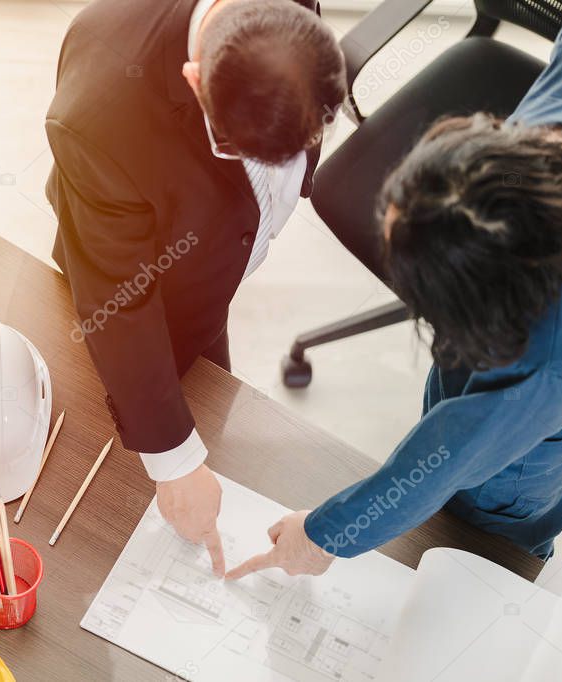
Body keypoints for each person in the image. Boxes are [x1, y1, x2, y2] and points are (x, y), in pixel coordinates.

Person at [227, 13, 562, 579]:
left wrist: (324, 534)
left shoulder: (553, 362)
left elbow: (449, 456)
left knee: (483, 528)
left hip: (525, 462)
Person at [45, 0, 346, 575]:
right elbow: (118, 299)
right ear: (193, 77)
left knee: (215, 406)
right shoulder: (101, 111)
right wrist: (175, 463)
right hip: (150, 282)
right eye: (244, 150)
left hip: (213, 263)